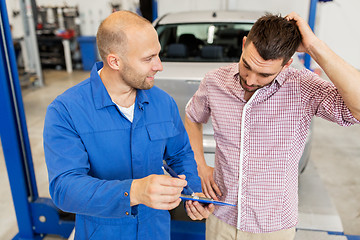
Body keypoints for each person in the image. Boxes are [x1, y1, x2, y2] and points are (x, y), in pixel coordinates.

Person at [185, 12, 360, 240]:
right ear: (245, 43)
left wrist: (314, 45)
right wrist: (200, 164)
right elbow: (192, 117)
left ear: (286, 64)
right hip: (222, 216)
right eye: (246, 65)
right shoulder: (214, 81)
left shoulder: (302, 87)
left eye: (264, 74)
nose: (250, 80)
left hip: (273, 226)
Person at [43, 11, 214, 240]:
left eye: (158, 55)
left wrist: (193, 192)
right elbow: (64, 188)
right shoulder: (66, 111)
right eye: (148, 58)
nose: (159, 66)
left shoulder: (163, 103)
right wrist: (134, 192)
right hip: (101, 233)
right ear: (115, 61)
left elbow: (180, 154)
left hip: (156, 231)